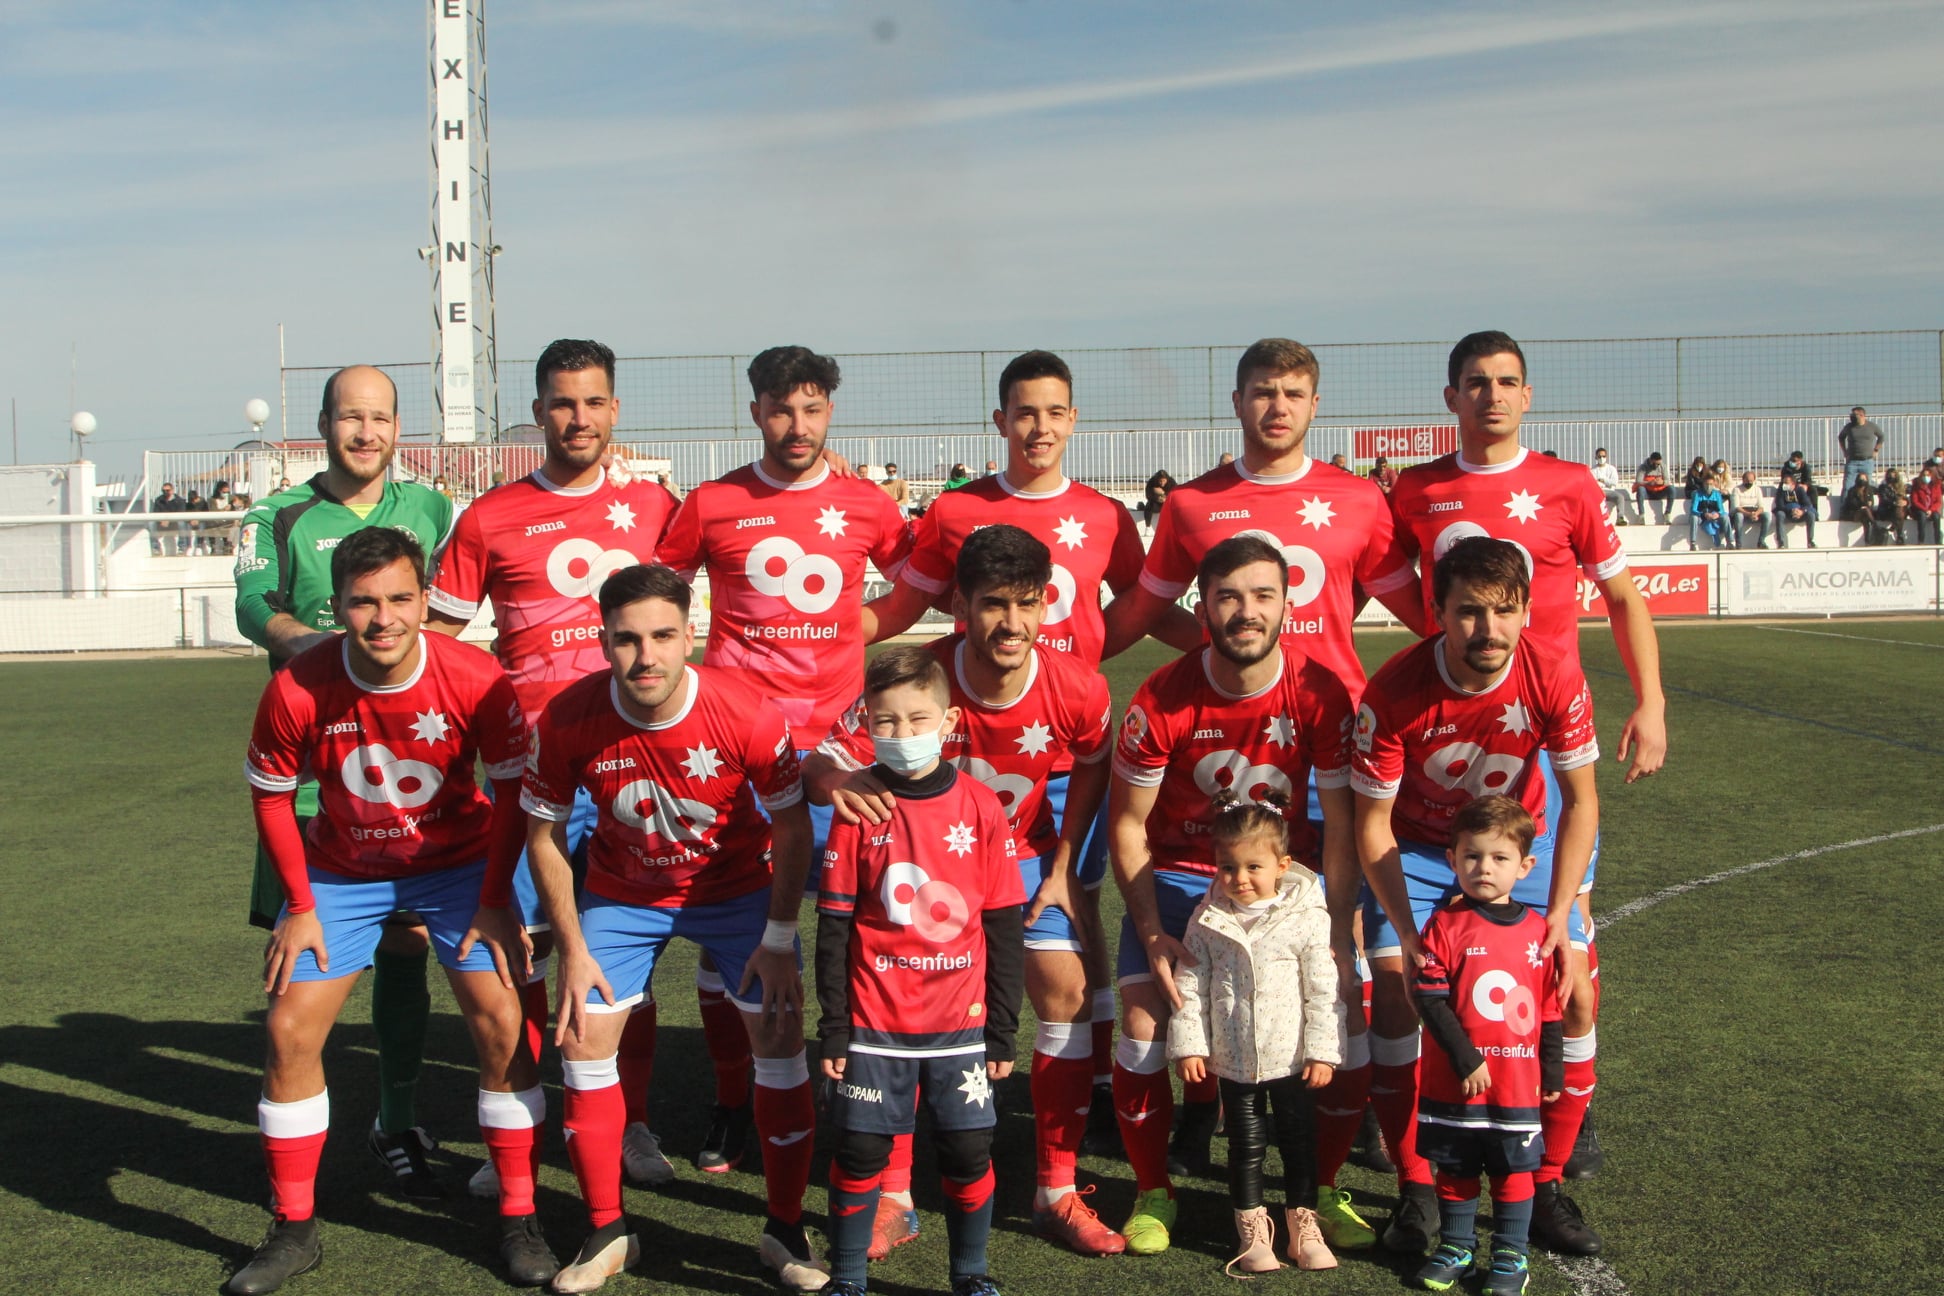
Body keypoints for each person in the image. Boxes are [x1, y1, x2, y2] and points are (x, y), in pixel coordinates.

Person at [1099, 337, 1423, 1219]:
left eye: (1293, 392)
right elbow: (1144, 607)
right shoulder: (1193, 507)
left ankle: (1337, 1176)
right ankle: (1177, 1153)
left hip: (1320, 773)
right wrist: (1055, 660)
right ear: (1236, 401)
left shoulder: (1359, 499)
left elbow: (1422, 614)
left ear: (1316, 403)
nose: (1277, 406)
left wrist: (1512, 664)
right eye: (1262, 392)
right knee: (1171, 1012)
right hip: (1194, 844)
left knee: (1331, 1002)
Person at [858, 351, 1156, 1200]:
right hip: (961, 765)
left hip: (1053, 760)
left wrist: (1090, 661)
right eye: (1025, 411)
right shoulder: (956, 512)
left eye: (1055, 411)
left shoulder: (1103, 514)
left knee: (1074, 921)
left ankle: (1089, 1099)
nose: (1040, 426)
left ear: (1073, 420)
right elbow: (906, 603)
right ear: (1001, 421)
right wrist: (811, 634)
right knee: (925, 959)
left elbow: (1138, 602)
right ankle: (898, 1171)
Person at [228, 527, 551, 1294]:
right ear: (337, 605)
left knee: (502, 1023)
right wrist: (300, 905)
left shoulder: (475, 676)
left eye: (401, 598)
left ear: (425, 598)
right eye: (363, 602)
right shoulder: (298, 686)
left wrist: (495, 900)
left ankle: (519, 1216)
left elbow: (512, 791)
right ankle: (293, 1228)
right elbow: (271, 797)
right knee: (288, 1029)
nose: (384, 619)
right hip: (342, 873)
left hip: (459, 867)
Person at [814, 524, 1125, 1258]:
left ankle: (1055, 1189)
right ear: (960, 605)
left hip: (1020, 860)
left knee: (1066, 989)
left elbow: (1094, 759)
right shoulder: (919, 678)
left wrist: (1065, 863)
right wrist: (841, 781)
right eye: (993, 604)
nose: (1011, 623)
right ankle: (894, 1195)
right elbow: (823, 757)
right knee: (892, 990)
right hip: (918, 869)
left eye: (1026, 603)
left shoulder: (1079, 685)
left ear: (1046, 603)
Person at [426, 339, 688, 1191]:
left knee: (621, 956)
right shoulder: (489, 517)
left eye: (594, 401)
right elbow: (438, 643)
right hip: (532, 774)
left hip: (633, 772)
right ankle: (525, 1126)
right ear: (537, 411)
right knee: (522, 950)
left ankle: (632, 1123)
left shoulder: (656, 505)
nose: (579, 418)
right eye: (563, 403)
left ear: (616, 409)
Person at [523, 563, 825, 1293]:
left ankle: (785, 1231)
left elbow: (791, 827)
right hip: (622, 895)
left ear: (690, 635)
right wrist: (572, 947)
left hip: (736, 892)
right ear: (603, 641)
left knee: (781, 1038)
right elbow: (544, 834)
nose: (646, 656)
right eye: (627, 640)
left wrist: (779, 937)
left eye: (662, 636)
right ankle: (607, 1231)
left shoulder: (747, 712)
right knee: (582, 1039)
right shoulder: (565, 718)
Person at [232, 365, 458, 1196]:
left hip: (408, 772)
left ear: (399, 427)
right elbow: (253, 605)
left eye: (381, 418)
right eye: (350, 417)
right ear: (324, 425)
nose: (367, 433)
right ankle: (293, 1156)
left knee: (406, 947)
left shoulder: (433, 508)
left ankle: (396, 1119)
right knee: (302, 962)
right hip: (311, 778)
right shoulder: (277, 515)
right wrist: (329, 654)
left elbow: (453, 617)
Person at [1351, 536, 1603, 1259]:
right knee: (1395, 990)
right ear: (1437, 613)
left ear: (1526, 610)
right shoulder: (1393, 692)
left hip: (1521, 840)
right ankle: (1418, 1190)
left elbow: (1582, 802)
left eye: (1503, 610)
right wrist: (1405, 931)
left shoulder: (1554, 673)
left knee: (1574, 993)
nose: (1487, 630)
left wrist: (1561, 911)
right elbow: (1372, 823)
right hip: (1419, 849)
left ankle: (1546, 1186)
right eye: (1468, 612)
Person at [1106, 535, 1355, 1257]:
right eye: (1228, 597)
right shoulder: (1162, 696)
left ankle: (1321, 1190)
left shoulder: (1321, 692)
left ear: (1287, 605)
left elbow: (1342, 826)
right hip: (1185, 877)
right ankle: (1154, 1189)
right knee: (1144, 1025)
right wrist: (1151, 931)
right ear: (1202, 608)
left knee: (1349, 1013)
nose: (1247, 612)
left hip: (1285, 882)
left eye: (1262, 595)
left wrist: (1340, 930)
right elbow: (1128, 825)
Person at [813, 646, 1025, 1296]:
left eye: (916, 718)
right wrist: (835, 1025)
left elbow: (1003, 923)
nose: (901, 733)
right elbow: (834, 926)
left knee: (967, 1150)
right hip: (876, 1022)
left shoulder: (981, 806)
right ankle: (847, 1278)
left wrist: (1002, 1029)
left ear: (949, 721)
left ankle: (971, 1275)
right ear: (867, 724)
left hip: (960, 1024)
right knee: (860, 1152)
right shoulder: (858, 809)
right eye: (886, 721)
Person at [1169, 799, 1343, 1276]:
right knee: (1246, 1145)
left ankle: (1303, 1227)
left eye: (1253, 867)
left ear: (1282, 866)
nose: (1239, 878)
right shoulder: (1208, 918)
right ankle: (1252, 1232)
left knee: (1298, 1142)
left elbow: (1323, 988)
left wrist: (1323, 1051)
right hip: (1235, 1057)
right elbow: (1190, 984)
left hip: (1293, 1056)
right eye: (1228, 867)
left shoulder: (1307, 916)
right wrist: (1190, 1045)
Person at [1406, 796, 1565, 1296]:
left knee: (1512, 1168)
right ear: (1452, 860)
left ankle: (1511, 1255)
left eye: (1499, 858)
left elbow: (1548, 1010)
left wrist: (1552, 1072)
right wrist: (1465, 1058)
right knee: (1456, 1165)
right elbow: (1430, 999)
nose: (1484, 868)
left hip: (1516, 1083)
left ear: (1525, 865)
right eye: (1472, 856)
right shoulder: (1443, 925)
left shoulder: (1539, 932)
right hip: (1456, 1081)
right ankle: (1456, 1247)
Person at [1838, 407, 1884, 498]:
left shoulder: (1871, 426)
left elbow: (1881, 436)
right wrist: (1845, 451)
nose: (1852, 417)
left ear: (1862, 415)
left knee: (1866, 487)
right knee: (1847, 487)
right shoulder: (1849, 427)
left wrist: (1876, 450)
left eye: (1854, 415)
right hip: (1852, 461)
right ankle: (1844, 506)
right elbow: (1841, 437)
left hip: (1867, 461)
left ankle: (1866, 504)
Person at [1773, 471, 1817, 548]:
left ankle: (1810, 542)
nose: (1784, 485)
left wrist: (1802, 511)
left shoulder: (1800, 490)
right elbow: (1779, 505)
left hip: (1799, 513)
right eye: (1783, 483)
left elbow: (1807, 504)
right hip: (1787, 513)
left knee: (1811, 514)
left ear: (1793, 484)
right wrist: (1791, 510)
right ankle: (1781, 543)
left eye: (1786, 483)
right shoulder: (1781, 491)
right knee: (1779, 514)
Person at [1588, 449, 1633, 524]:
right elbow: (1592, 483)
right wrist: (1605, 483)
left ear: (1606, 457)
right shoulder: (1592, 470)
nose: (1602, 458)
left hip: (1610, 491)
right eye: (1599, 456)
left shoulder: (1611, 469)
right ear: (1596, 457)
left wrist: (1603, 480)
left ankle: (1620, 518)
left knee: (1620, 497)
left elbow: (1614, 482)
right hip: (1597, 491)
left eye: (1603, 456)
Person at [1731, 470, 1769, 549]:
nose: (1749, 482)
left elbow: (1761, 507)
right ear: (1743, 480)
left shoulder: (1757, 489)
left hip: (1754, 511)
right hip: (1742, 511)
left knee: (1767, 516)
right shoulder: (1736, 489)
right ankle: (1738, 543)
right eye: (1747, 480)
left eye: (1751, 481)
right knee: (1739, 516)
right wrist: (1749, 514)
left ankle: (1761, 542)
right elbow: (1736, 507)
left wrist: (1756, 514)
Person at [1688, 472, 1727, 550]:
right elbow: (1693, 509)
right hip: (1701, 516)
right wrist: (1704, 514)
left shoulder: (1717, 494)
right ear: (1703, 484)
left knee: (1726, 517)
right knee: (1694, 518)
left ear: (1714, 484)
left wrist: (1718, 514)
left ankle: (1730, 542)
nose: (1709, 486)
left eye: (1711, 484)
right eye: (1707, 484)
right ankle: (1692, 543)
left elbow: (1721, 509)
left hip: (1713, 515)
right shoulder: (1697, 493)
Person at [151, 481, 189, 553]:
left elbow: (180, 514)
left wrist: (169, 520)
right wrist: (161, 520)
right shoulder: (159, 500)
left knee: (181, 523)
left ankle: (182, 547)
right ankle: (155, 548)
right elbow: (155, 513)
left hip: (175, 523)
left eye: (167, 490)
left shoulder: (179, 501)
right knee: (151, 523)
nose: (165, 492)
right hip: (162, 523)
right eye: (163, 491)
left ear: (172, 490)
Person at [1633, 452, 1670, 524]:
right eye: (1656, 464)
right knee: (1640, 489)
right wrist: (1649, 483)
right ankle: (1641, 515)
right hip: (1648, 492)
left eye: (1659, 464)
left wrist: (1662, 482)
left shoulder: (1663, 466)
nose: (1657, 466)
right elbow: (1638, 481)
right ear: (1651, 461)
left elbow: (1668, 481)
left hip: (1659, 492)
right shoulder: (1643, 467)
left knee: (1671, 489)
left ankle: (1667, 514)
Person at [1909, 465, 1942, 545]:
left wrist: (1931, 510)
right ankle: (1921, 540)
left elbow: (1938, 501)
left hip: (1932, 509)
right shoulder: (1917, 486)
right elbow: (1915, 501)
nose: (1926, 477)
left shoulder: (1936, 486)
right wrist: (1925, 509)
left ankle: (1938, 541)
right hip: (1919, 510)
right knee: (1922, 516)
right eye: (1924, 475)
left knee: (1936, 516)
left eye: (1928, 475)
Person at [1875, 469, 1910, 545]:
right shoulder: (1883, 487)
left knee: (1900, 510)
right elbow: (1884, 500)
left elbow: (1905, 498)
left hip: (1897, 511)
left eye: (1894, 475)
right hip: (1886, 510)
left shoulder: (1900, 487)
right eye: (1890, 475)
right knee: (1899, 512)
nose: (1892, 477)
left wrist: (1905, 502)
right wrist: (1895, 503)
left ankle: (1896, 530)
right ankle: (1899, 536)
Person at [1841, 471, 1878, 542]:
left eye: (1864, 479)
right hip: (1854, 513)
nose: (1862, 480)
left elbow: (1871, 503)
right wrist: (1864, 505)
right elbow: (1853, 504)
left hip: (1865, 514)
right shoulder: (1852, 490)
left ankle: (1867, 542)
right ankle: (1875, 525)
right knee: (1865, 510)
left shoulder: (1869, 490)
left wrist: (1866, 505)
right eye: (1861, 479)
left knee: (1866, 521)